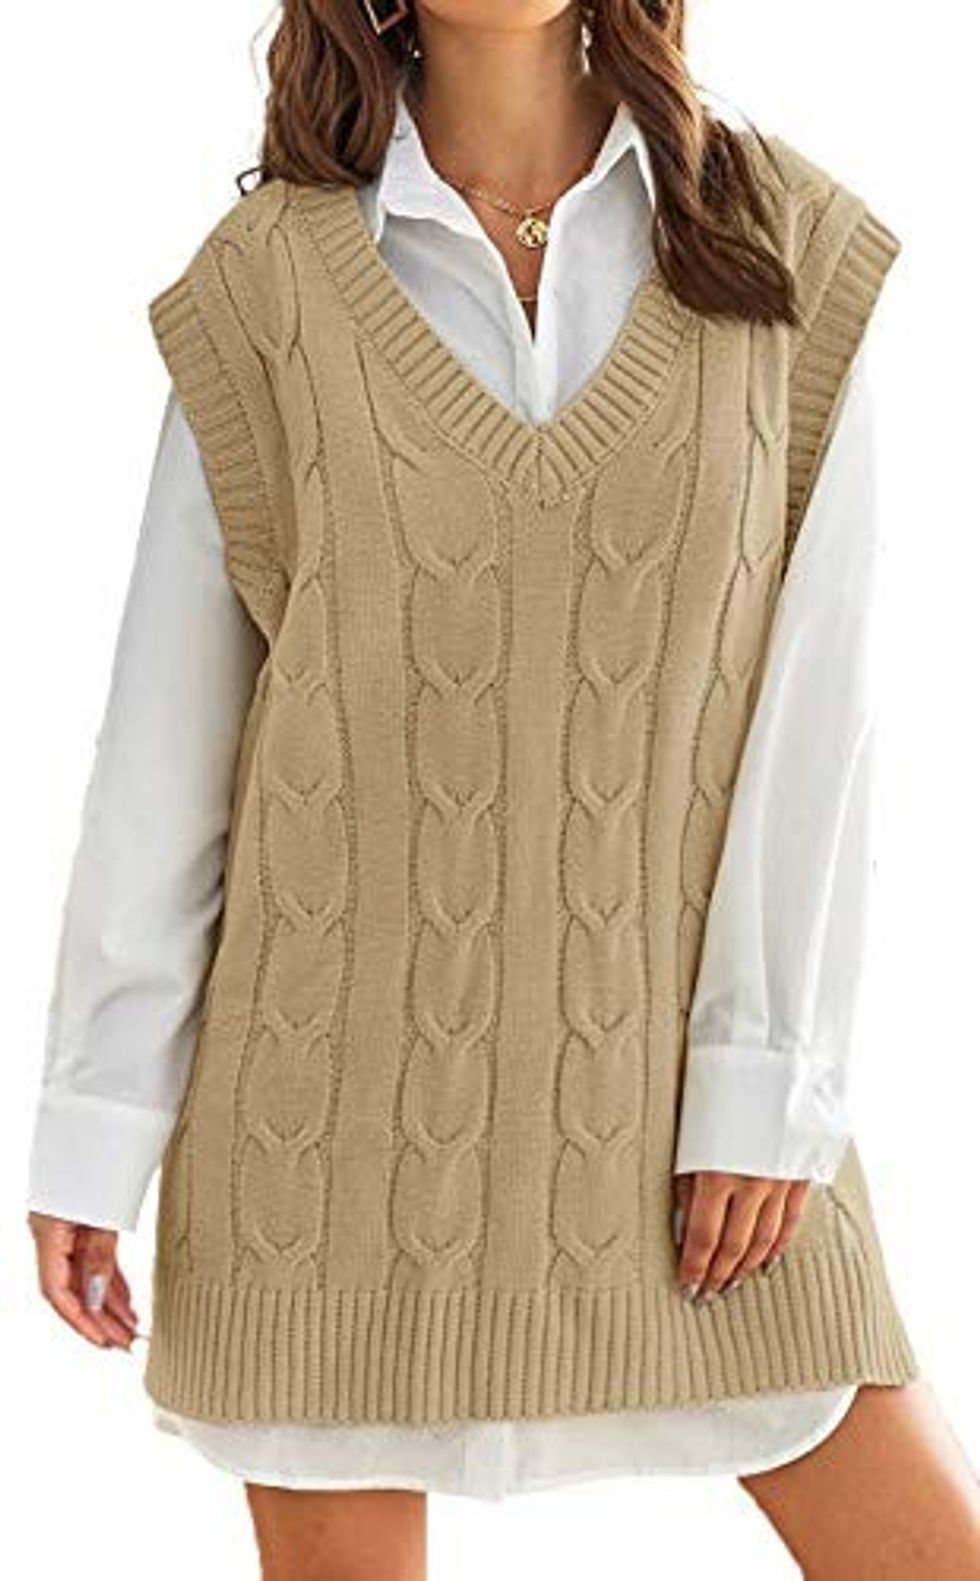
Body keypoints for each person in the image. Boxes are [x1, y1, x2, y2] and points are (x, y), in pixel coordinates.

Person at [25, 2, 980, 1577]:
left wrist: (764, 1075)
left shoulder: (781, 246)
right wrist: (96, 1117)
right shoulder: (266, 290)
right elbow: (167, 750)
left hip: (683, 1131)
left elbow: (825, 713)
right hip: (322, 1143)